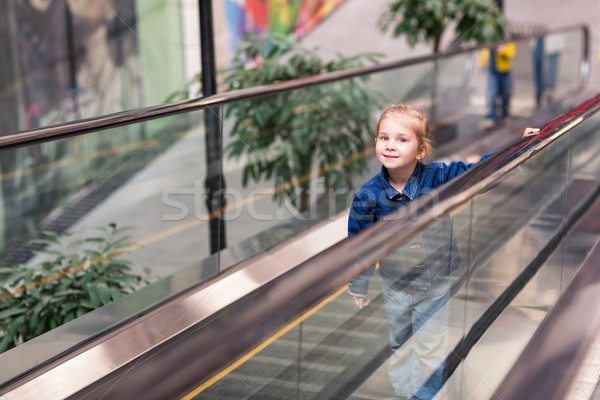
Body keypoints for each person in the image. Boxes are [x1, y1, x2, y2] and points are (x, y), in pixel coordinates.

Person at [347, 104, 538, 399]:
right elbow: (360, 243)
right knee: (399, 346)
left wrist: (520, 149)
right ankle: (402, 392)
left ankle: (427, 396)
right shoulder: (367, 195)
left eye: (401, 139)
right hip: (395, 286)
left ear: (421, 150)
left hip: (435, 284)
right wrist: (358, 283)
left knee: (430, 347)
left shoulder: (438, 176)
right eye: (383, 138)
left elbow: (479, 173)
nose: (390, 146)